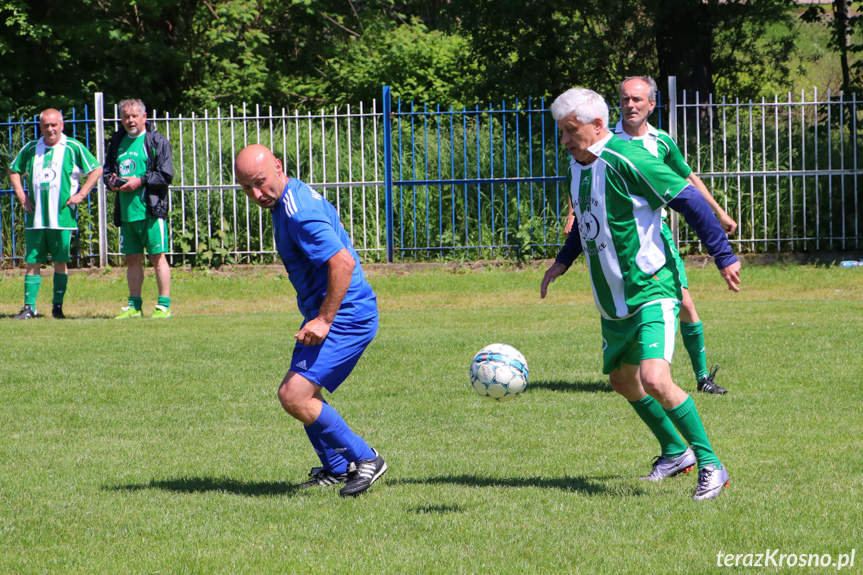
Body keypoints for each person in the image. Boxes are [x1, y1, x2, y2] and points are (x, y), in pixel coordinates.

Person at [541, 88, 741, 501]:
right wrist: (563, 261)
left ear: (597, 126)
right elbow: (588, 220)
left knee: (654, 378)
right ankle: (675, 452)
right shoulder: (577, 166)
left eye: (570, 131)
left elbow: (688, 199)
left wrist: (723, 254)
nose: (564, 141)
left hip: (651, 287)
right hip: (613, 300)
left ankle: (712, 466)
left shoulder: (630, 158)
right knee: (622, 381)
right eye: (561, 132)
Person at [234, 144, 386, 497]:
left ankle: (367, 459)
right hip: (331, 314)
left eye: (260, 182)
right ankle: (335, 467)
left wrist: (324, 319)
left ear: (277, 166)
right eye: (246, 188)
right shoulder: (291, 197)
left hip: (346, 316)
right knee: (302, 391)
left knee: (294, 394)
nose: (256, 194)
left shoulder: (299, 212)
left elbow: (342, 263)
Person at [616, 75, 736, 394]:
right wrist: (574, 214)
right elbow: (586, 173)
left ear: (651, 105)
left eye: (637, 99)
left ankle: (700, 378)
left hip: (655, 236)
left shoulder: (661, 142)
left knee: (685, 304)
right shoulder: (605, 140)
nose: (630, 105)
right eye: (625, 99)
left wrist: (719, 211)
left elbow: (688, 179)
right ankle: (636, 375)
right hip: (616, 241)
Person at [8, 108, 103, 319]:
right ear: (40, 127)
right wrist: (21, 195)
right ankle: (29, 308)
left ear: (62, 125)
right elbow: (13, 169)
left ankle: (57, 307)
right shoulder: (32, 147)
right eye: (45, 125)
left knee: (60, 261)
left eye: (54, 125)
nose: (50, 129)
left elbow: (96, 169)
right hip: (36, 217)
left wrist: (81, 194)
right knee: (32, 261)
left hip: (61, 217)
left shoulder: (72, 147)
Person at [103, 99, 174, 319]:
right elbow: (107, 171)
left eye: (134, 116)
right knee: (132, 259)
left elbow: (166, 174)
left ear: (144, 117)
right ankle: (134, 306)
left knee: (157, 257)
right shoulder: (117, 141)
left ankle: (163, 306)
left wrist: (140, 181)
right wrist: (112, 183)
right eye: (126, 116)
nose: (130, 120)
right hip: (127, 214)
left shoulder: (156, 141)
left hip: (150, 212)